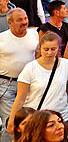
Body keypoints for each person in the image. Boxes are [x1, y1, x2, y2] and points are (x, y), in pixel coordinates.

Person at [7, 32, 68, 134]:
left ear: (59, 48)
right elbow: (20, 98)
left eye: (53, 49)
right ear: (40, 48)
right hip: (37, 119)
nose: (49, 53)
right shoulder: (30, 68)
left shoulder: (67, 65)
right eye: (46, 49)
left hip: (61, 117)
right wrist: (11, 122)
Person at [0, 10, 43, 141]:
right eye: (19, 20)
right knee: (11, 121)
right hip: (8, 85)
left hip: (30, 84)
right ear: (10, 22)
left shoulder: (34, 35)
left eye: (25, 18)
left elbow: (38, 55)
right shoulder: (1, 38)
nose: (24, 22)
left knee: (29, 119)